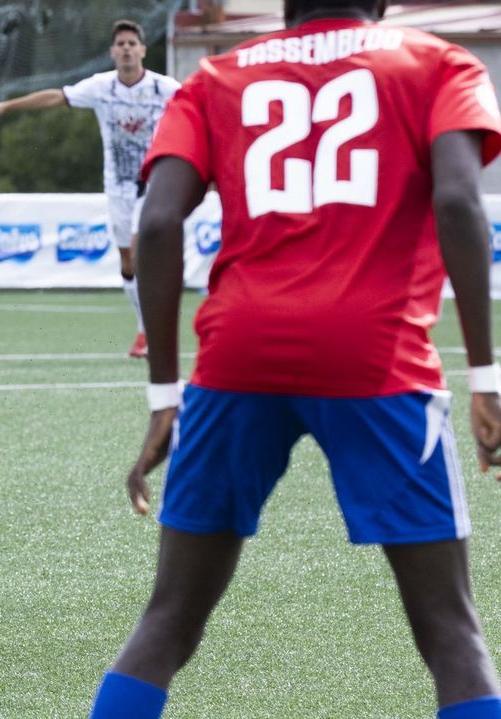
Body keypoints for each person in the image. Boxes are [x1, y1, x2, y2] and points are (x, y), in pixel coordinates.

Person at [90, 0, 501, 716]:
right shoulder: (439, 64)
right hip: (377, 357)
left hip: (238, 355)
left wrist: (164, 395)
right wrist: (488, 377)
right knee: (451, 634)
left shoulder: (215, 76)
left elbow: (156, 223)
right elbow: (462, 203)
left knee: (168, 621)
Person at [0, 19, 179, 359]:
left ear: (142, 49)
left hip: (152, 181)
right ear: (113, 51)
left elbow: (197, 101)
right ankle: (144, 327)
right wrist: (6, 106)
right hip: (116, 185)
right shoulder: (102, 86)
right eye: (121, 44)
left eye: (132, 43)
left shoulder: (164, 88)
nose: (127, 48)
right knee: (127, 262)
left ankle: (152, 333)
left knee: (141, 252)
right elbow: (57, 96)